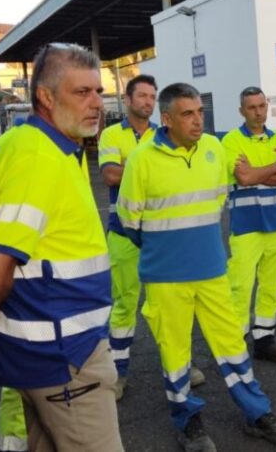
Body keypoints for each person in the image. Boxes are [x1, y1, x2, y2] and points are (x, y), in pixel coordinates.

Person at [117, 82, 276, 451]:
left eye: (200, 112)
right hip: (166, 277)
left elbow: (218, 201)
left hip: (212, 270)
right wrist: (168, 249)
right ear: (166, 119)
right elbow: (129, 221)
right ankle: (188, 421)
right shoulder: (142, 159)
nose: (198, 120)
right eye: (188, 114)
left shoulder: (214, 150)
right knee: (176, 353)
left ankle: (257, 414)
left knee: (232, 345)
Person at [0, 42, 123, 451]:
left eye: (98, 91)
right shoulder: (37, 159)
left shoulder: (43, 147)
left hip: (49, 357)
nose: (96, 103)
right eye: (81, 92)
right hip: (66, 359)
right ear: (46, 97)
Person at [98, 74, 207, 399]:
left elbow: (133, 173)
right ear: (128, 100)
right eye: (141, 95)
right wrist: (149, 168)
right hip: (124, 234)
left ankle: (181, 364)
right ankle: (117, 373)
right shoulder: (110, 134)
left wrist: (132, 167)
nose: (147, 101)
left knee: (171, 307)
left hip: (163, 237)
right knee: (124, 306)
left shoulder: (167, 134)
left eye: (151, 96)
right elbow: (108, 175)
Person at [222, 87, 276, 364]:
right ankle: (235, 345)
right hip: (246, 225)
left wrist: (258, 172)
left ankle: (264, 341)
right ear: (242, 111)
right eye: (251, 107)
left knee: (271, 285)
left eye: (261, 106)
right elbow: (243, 178)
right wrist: (271, 168)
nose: (258, 111)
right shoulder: (230, 141)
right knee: (240, 286)